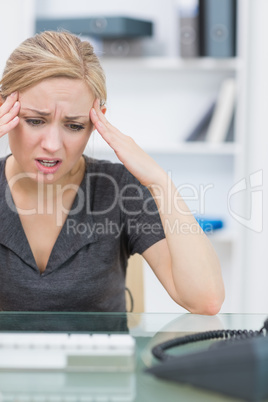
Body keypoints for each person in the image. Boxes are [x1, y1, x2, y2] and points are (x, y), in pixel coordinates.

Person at [0, 31, 225, 313]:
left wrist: (159, 182)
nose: (53, 145)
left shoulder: (118, 189)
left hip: (100, 359)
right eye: (35, 121)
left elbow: (205, 300)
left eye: (74, 126)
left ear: (96, 123)